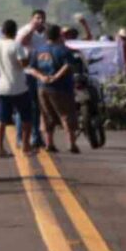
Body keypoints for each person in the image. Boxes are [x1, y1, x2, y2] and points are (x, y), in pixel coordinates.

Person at [28, 24, 80, 154]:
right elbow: (69, 65)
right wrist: (56, 77)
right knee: (66, 115)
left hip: (42, 87)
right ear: (59, 35)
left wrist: (42, 77)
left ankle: (49, 143)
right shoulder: (63, 50)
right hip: (61, 88)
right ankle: (71, 144)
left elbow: (31, 68)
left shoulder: (38, 50)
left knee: (46, 115)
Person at [0, 19, 33, 158]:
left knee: (1, 120)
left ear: (2, 31)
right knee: (26, 118)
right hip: (18, 87)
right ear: (15, 31)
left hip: (1, 88)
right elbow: (23, 64)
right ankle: (25, 147)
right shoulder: (16, 46)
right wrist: (28, 55)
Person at [15, 9, 48, 150]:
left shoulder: (46, 32)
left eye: (42, 18)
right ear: (32, 19)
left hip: (41, 71)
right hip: (27, 72)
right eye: (37, 18)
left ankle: (36, 136)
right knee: (25, 106)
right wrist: (31, 29)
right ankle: (20, 137)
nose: (40, 21)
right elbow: (20, 43)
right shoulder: (25, 30)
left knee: (37, 106)